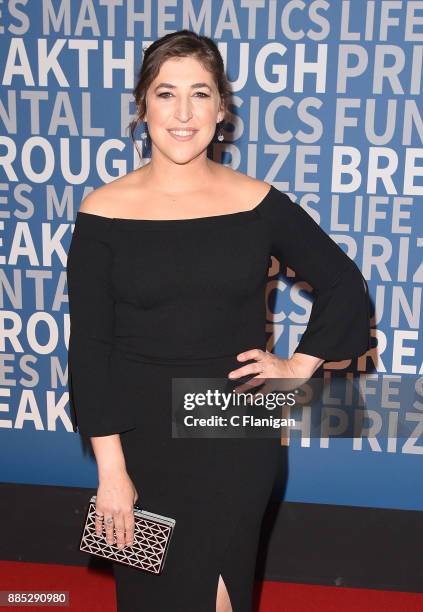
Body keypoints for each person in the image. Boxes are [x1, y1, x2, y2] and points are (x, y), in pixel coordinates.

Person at [66, 29, 371, 612]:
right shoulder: (102, 209)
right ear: (141, 106)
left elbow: (343, 285)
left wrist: (297, 366)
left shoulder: (256, 203)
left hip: (231, 420)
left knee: (218, 590)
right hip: (137, 431)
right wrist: (111, 470)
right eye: (166, 93)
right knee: (148, 594)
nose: (183, 113)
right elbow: (90, 351)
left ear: (222, 111)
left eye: (200, 94)